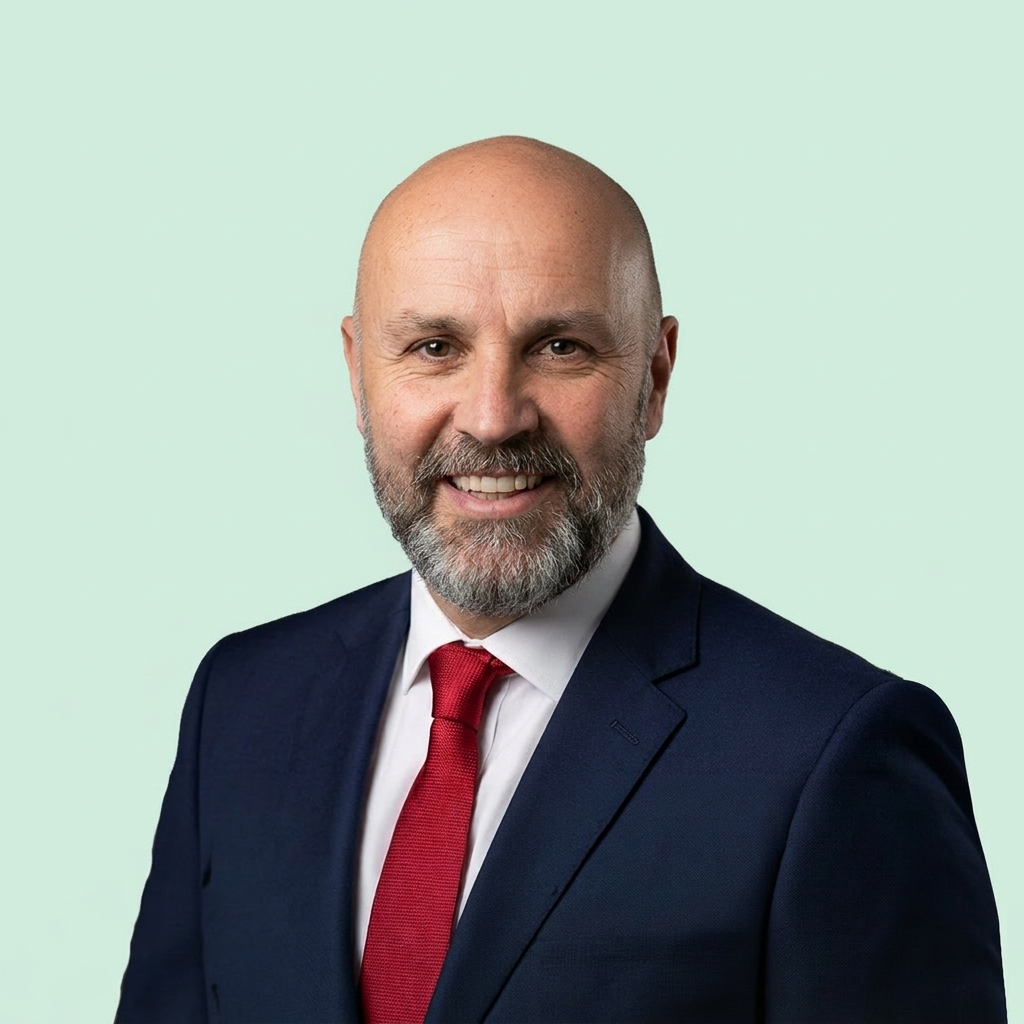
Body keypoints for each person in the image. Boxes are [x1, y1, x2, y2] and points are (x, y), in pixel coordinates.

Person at [116, 136, 1006, 1024]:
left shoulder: (834, 754)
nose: (494, 417)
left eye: (561, 346)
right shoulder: (240, 703)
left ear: (655, 377)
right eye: (434, 347)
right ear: (357, 374)